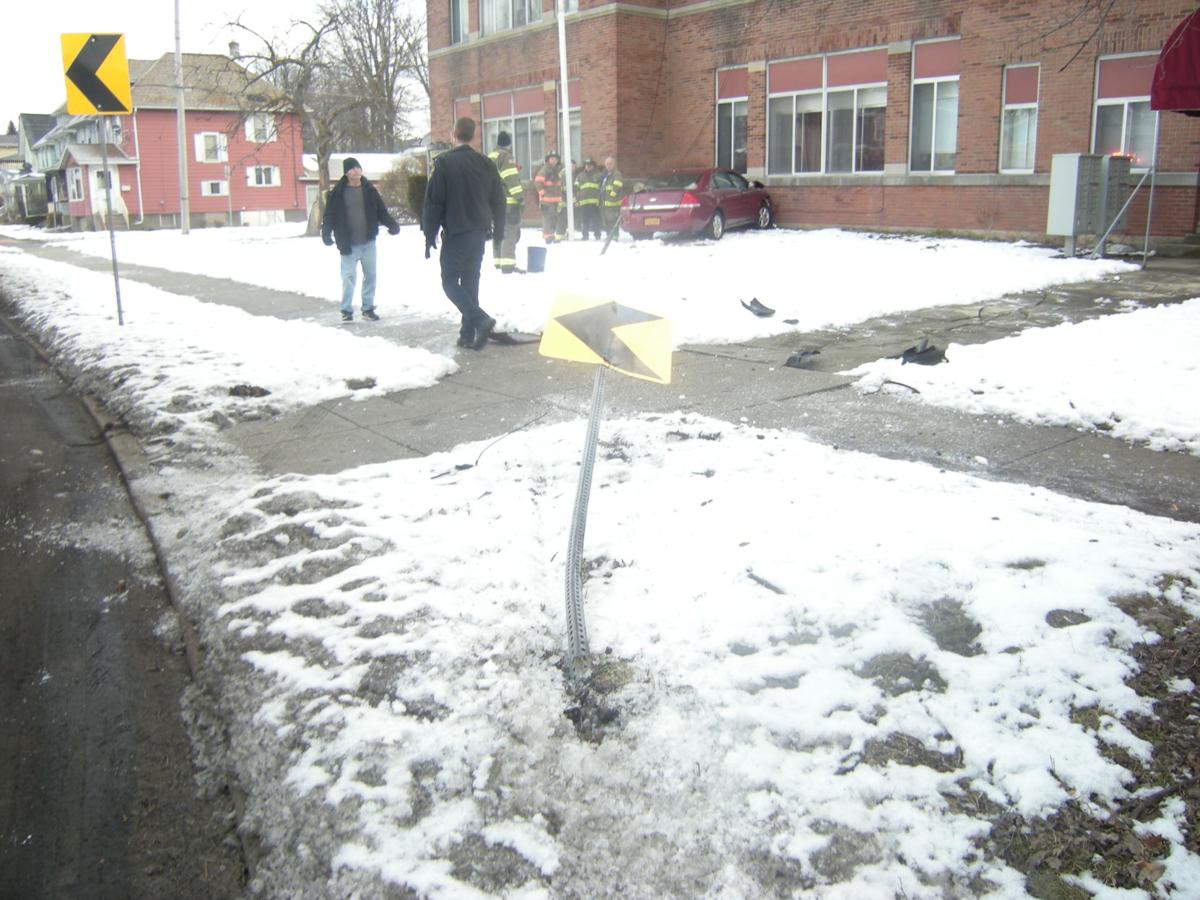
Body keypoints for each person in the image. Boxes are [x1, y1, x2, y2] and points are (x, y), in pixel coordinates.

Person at [422, 117, 507, 350]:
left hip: (457, 231)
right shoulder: (486, 163)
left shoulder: (445, 163)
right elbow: (498, 200)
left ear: (454, 134)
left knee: (449, 281)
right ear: (473, 135)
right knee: (470, 280)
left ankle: (480, 320)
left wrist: (429, 234)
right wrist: (498, 229)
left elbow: (434, 203)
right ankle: (467, 334)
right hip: (479, 232)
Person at [321, 157, 400, 322]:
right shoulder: (337, 193)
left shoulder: (369, 190)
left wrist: (392, 225)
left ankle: (368, 308)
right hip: (347, 244)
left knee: (370, 275)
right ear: (346, 172)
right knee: (348, 277)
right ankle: (346, 309)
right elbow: (329, 215)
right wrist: (326, 233)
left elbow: (381, 211)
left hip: (368, 242)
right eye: (352, 168)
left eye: (358, 167)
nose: (356, 170)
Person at [487, 130, 524, 273]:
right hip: (507, 202)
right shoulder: (506, 157)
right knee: (509, 231)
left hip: (492, 203)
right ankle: (508, 264)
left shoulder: (491, 156)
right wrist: (520, 198)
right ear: (509, 144)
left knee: (498, 230)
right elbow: (511, 179)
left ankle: (498, 261)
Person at [534, 151, 564, 243]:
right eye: (552, 159)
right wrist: (542, 193)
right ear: (548, 160)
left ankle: (553, 235)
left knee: (555, 218)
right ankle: (548, 237)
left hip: (557, 200)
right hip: (546, 200)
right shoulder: (545, 170)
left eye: (555, 159)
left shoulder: (559, 170)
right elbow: (538, 182)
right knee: (548, 219)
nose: (554, 161)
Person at [573, 157, 602, 240]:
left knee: (596, 220)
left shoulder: (598, 175)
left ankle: (597, 235)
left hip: (595, 202)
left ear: (593, 166)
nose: (588, 167)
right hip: (583, 202)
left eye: (590, 165)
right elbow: (575, 188)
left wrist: (600, 200)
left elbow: (602, 188)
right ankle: (585, 235)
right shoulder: (580, 176)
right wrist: (576, 200)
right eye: (587, 165)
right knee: (584, 220)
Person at [600, 156, 624, 240]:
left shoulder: (616, 174)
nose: (608, 166)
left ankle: (614, 237)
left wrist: (611, 195)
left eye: (610, 164)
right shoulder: (606, 175)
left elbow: (617, 185)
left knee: (613, 221)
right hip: (606, 203)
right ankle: (609, 236)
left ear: (614, 164)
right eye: (607, 164)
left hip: (613, 203)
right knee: (607, 221)